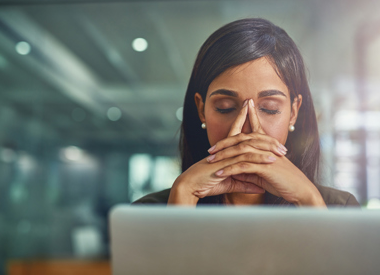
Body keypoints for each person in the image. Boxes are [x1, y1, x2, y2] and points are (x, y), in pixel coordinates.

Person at [134, 18, 359, 207]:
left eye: (269, 109)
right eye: (226, 108)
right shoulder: (151, 210)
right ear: (202, 110)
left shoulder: (337, 207)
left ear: (293, 112)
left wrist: (308, 200)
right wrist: (183, 195)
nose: (246, 128)